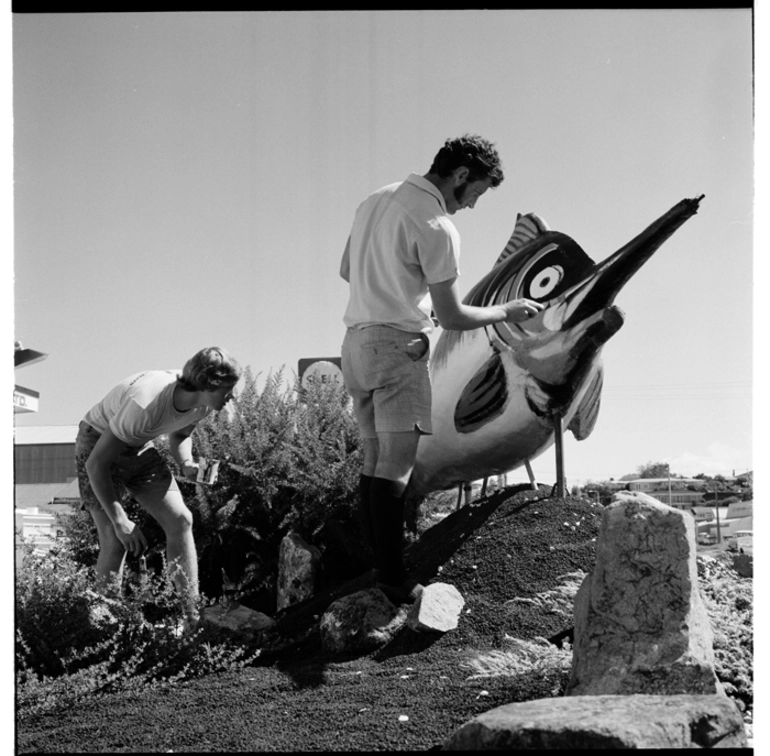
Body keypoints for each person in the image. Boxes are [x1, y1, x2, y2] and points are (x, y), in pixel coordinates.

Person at [340, 134, 544, 605]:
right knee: (395, 468)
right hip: (398, 349)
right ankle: (394, 580)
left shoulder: (375, 200)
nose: (473, 204)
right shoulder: (437, 226)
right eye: (478, 191)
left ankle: (379, 570)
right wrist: (507, 311)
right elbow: (454, 317)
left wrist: (396, 291)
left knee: (373, 463)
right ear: (460, 175)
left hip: (356, 344)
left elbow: (348, 270)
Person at [75, 346, 243, 630]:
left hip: (138, 444)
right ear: (207, 384)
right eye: (228, 389)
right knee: (115, 541)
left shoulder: (202, 402)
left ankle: (191, 619)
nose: (232, 396)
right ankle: (105, 631)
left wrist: (187, 462)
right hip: (97, 444)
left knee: (181, 520)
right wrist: (120, 520)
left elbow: (179, 432)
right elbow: (96, 465)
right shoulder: (145, 404)